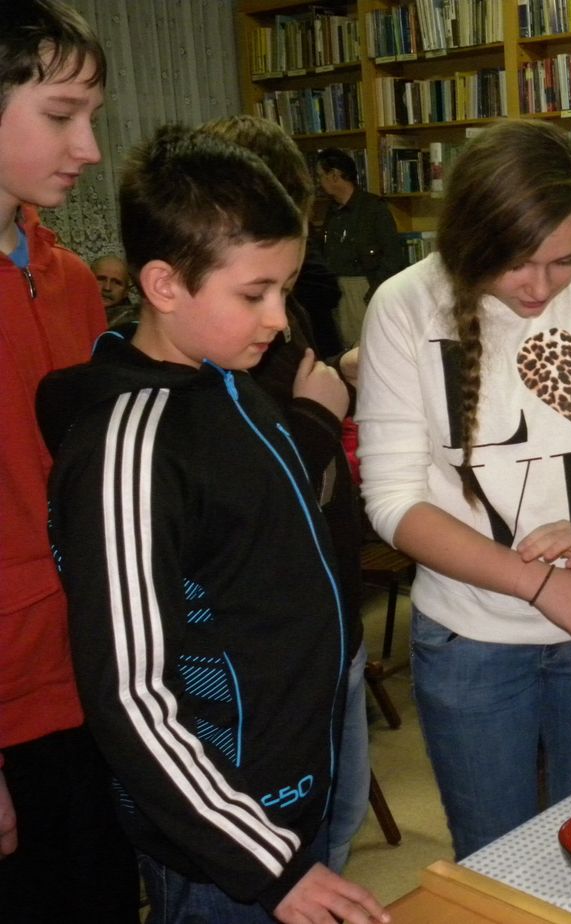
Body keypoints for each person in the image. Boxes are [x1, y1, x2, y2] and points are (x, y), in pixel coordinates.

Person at [35, 125, 389, 924]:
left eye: (286, 287)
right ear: (164, 284)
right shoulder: (128, 442)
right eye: (253, 293)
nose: (277, 317)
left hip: (297, 779)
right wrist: (268, 866)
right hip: (223, 838)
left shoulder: (226, 385)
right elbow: (129, 693)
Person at [355, 119, 571, 860]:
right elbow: (392, 501)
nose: (541, 288)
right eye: (516, 264)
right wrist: (540, 586)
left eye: (562, 260)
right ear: (471, 240)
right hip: (473, 640)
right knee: (497, 860)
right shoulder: (405, 306)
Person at [197, 113, 368, 876]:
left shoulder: (280, 314)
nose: (276, 307)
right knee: (278, 859)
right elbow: (258, 497)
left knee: (336, 824)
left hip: (331, 623)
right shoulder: (211, 347)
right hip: (261, 656)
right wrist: (316, 415)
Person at [0, 3, 139, 920]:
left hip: (92, 674)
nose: (87, 147)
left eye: (92, 116)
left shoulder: (74, 278)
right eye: (61, 115)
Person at [314, 147, 403, 348]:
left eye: (321, 175)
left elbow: (393, 257)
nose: (319, 182)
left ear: (335, 175)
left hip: (363, 292)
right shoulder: (333, 211)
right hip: (337, 293)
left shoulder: (374, 209)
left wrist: (372, 295)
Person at [90, 252, 136, 325]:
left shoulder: (132, 326)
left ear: (126, 292)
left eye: (117, 282)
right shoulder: (70, 311)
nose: (107, 288)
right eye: (101, 279)